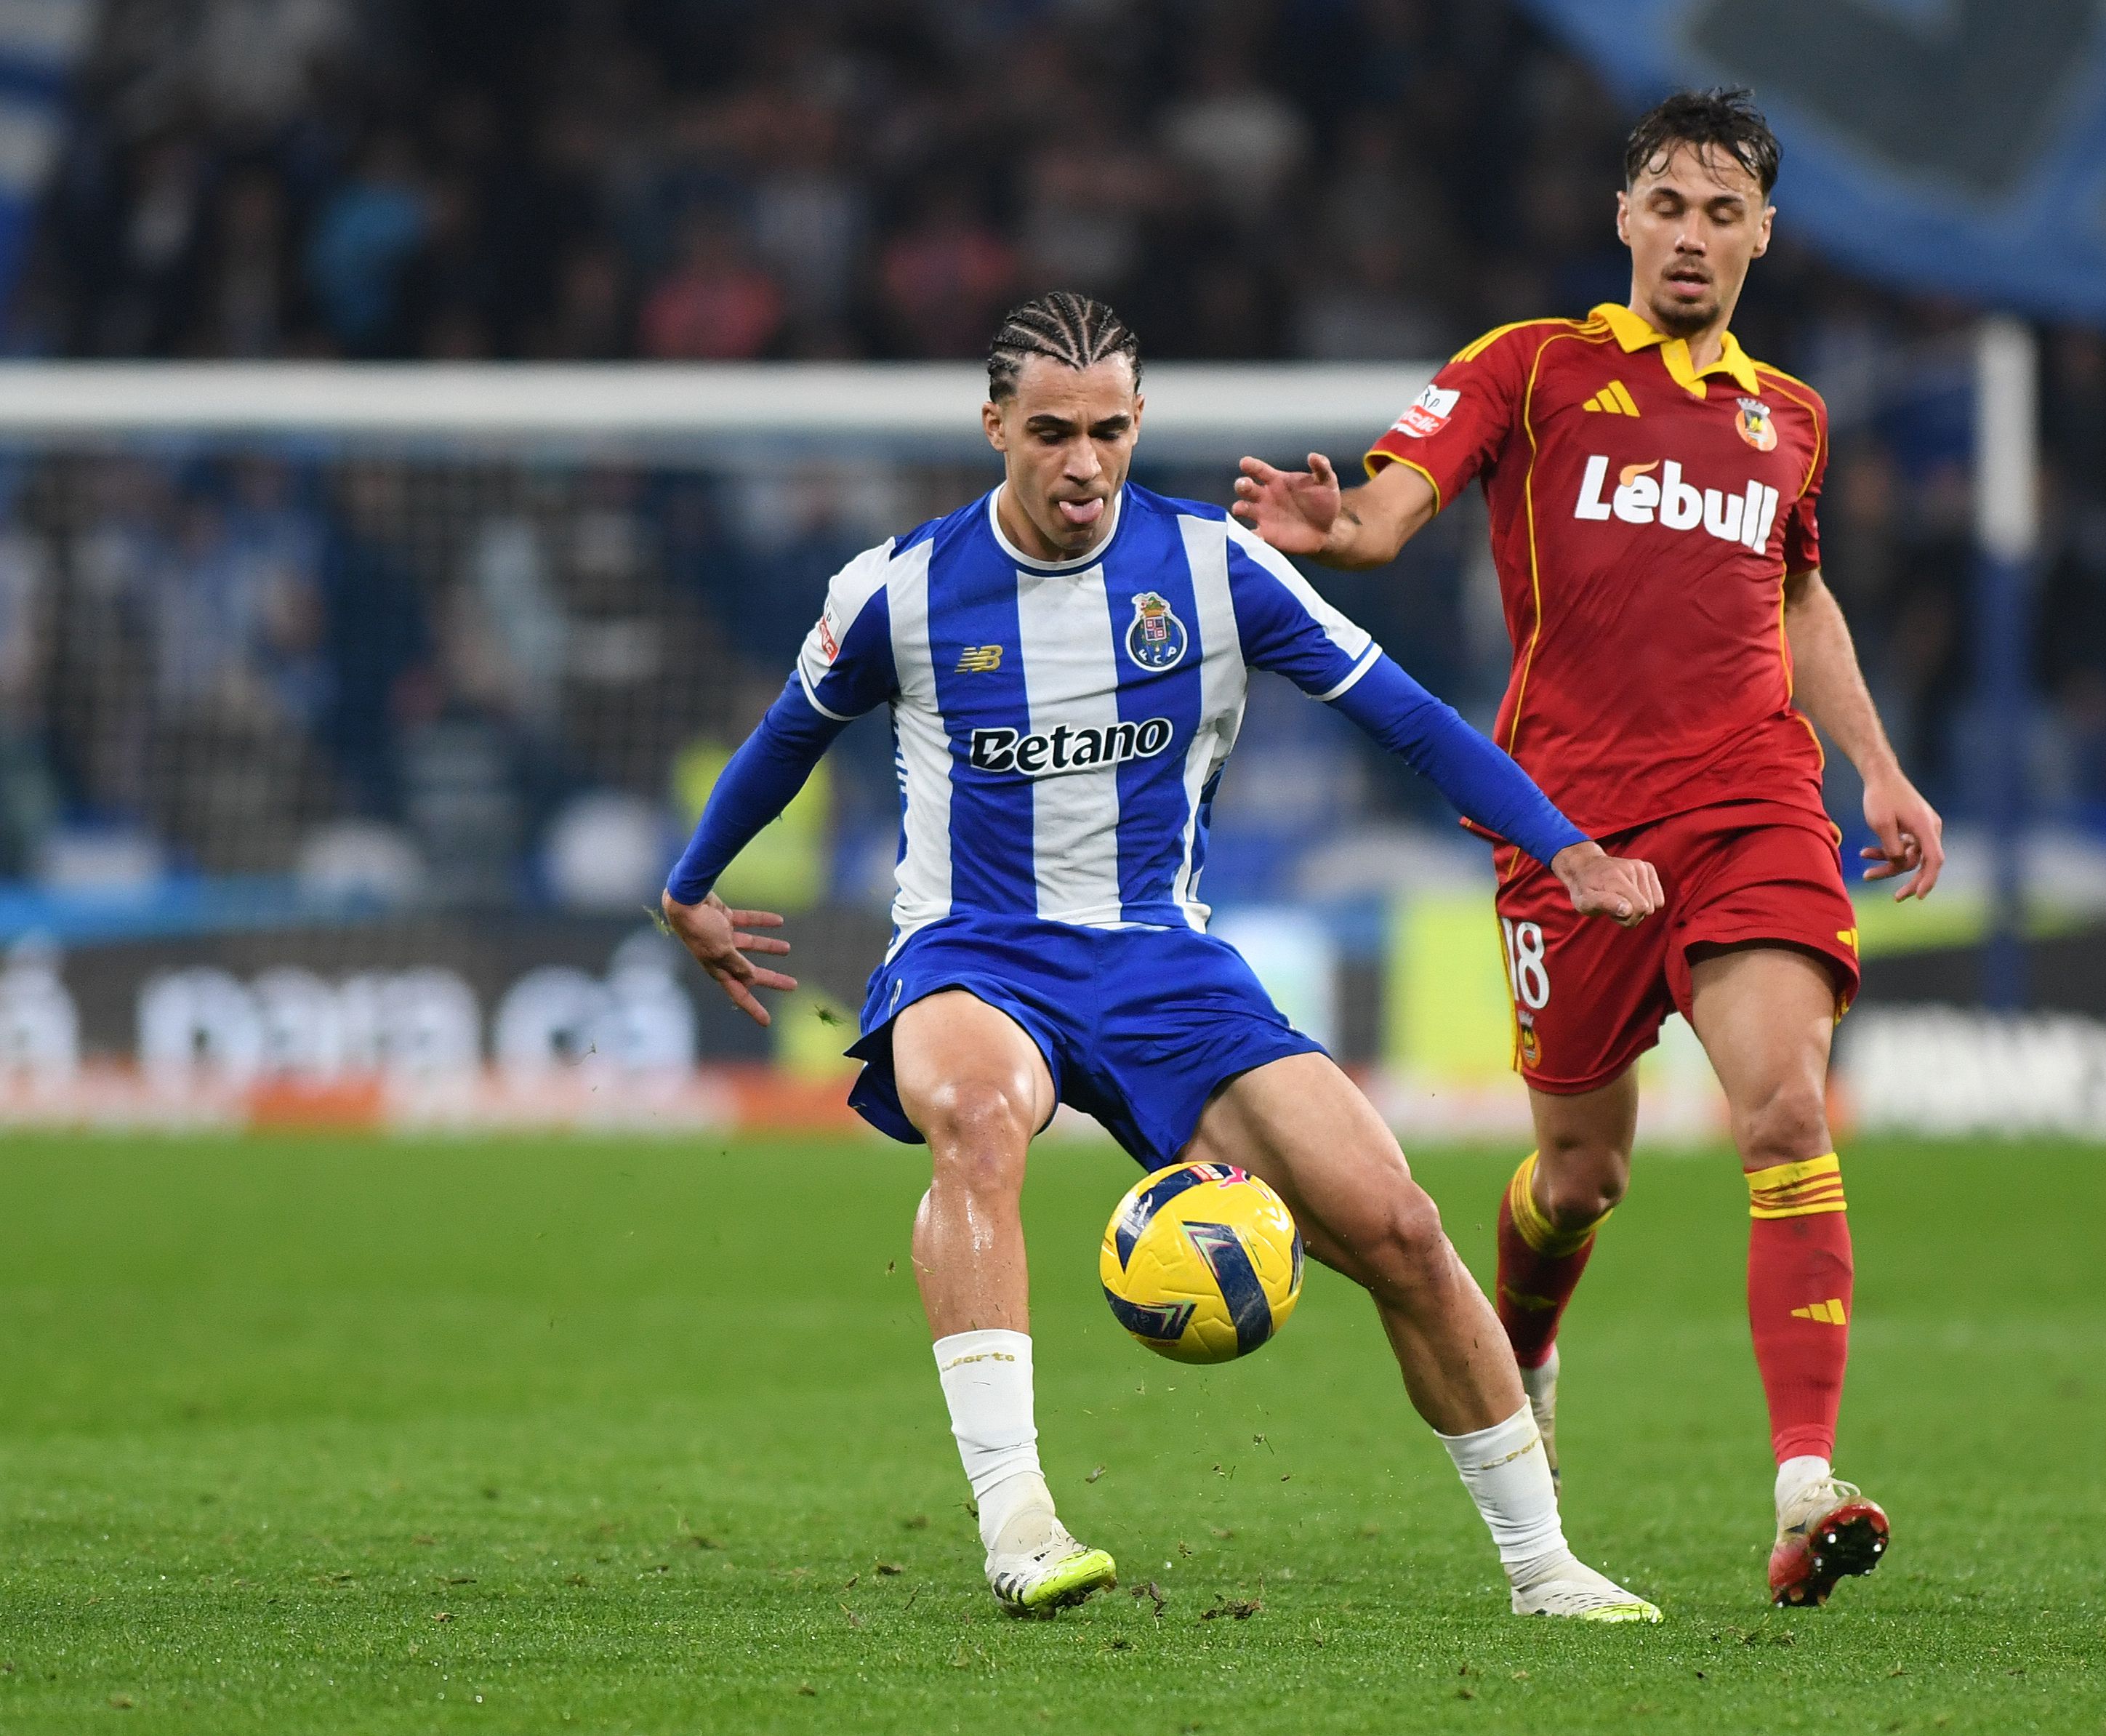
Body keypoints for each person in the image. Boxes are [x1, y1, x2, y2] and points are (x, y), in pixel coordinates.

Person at [661, 292, 1668, 1623]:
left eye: (1111, 431)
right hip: (974, 950)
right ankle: (1019, 1518)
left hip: (1162, 964)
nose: (1083, 463)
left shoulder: (1216, 568)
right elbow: (785, 739)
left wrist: (1565, 847)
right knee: (974, 1116)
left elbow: (1409, 719)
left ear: (1141, 426)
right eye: (1051, 432)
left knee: (1402, 1230)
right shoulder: (896, 588)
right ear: (992, 427)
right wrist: (690, 887)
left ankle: (1545, 1568)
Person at [1231, 89, 1945, 1608]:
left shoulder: (1792, 421)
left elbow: (1799, 602)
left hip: (1755, 799)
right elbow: (1387, 511)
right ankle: (1529, 1349)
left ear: (1764, 234)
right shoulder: (1533, 366)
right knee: (1580, 1172)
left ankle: (1806, 1484)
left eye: (1723, 211)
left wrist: (1873, 765)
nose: (1693, 236)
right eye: (1668, 206)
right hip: (1568, 826)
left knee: (1783, 1115)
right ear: (1624, 218)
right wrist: (1336, 525)